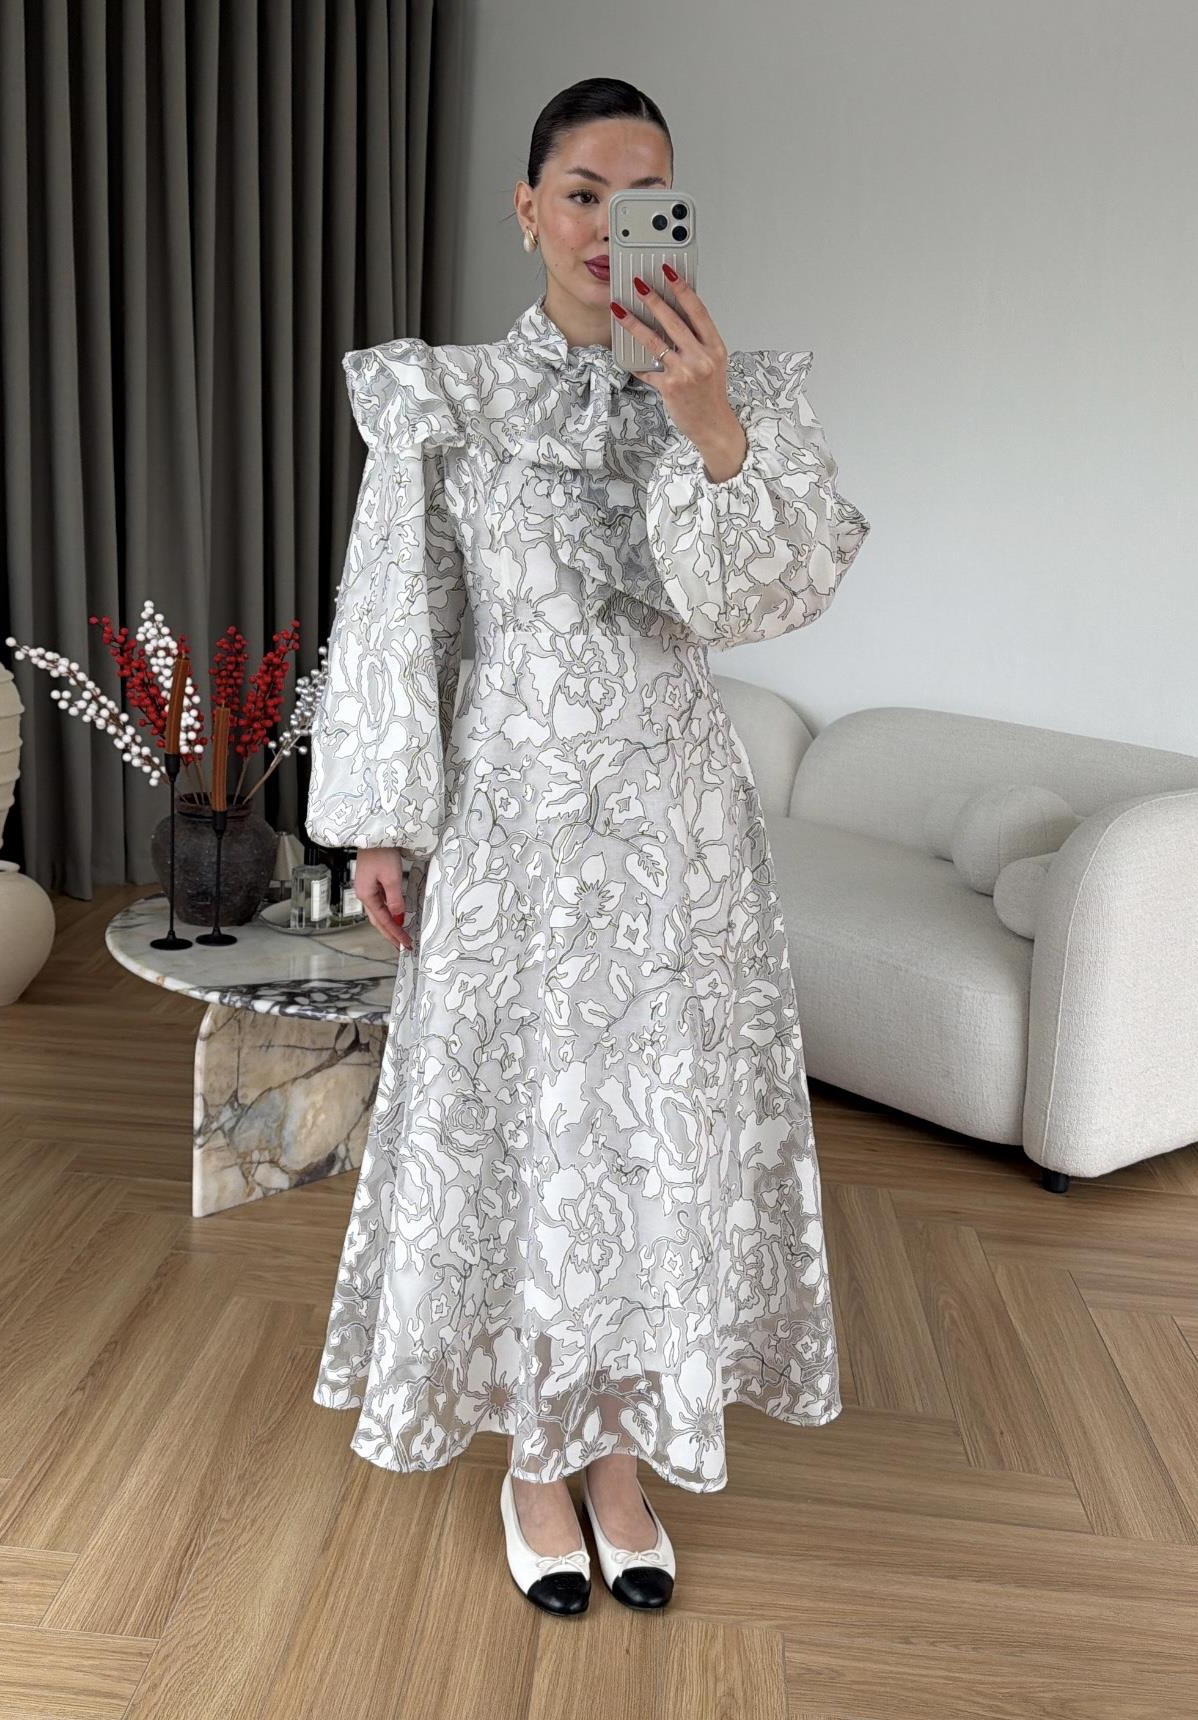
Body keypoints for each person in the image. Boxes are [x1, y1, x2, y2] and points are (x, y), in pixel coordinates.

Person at [306, 76, 870, 1617]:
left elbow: (759, 603)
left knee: (649, 1143)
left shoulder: (732, 396)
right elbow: (399, 612)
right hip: (515, 826)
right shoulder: (444, 400)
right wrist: (382, 820)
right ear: (528, 208)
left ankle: (618, 1455)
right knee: (528, 1135)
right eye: (581, 193)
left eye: (644, 198)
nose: (608, 226)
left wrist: (707, 426)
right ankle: (533, 1461)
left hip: (679, 836)